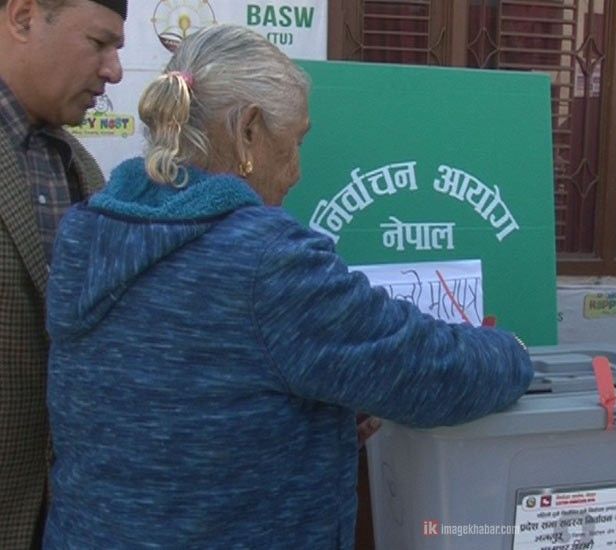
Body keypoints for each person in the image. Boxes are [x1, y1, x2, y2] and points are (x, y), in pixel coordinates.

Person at [44, 23, 533, 548]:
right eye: (296, 141)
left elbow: (169, 413)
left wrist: (310, 421)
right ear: (248, 130)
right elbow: (430, 370)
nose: (298, 171)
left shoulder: (86, 231)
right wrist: (512, 352)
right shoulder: (267, 260)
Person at [0, 0, 125, 547]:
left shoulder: (83, 169)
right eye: (98, 43)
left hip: (65, 518)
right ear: (24, 18)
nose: (114, 71)